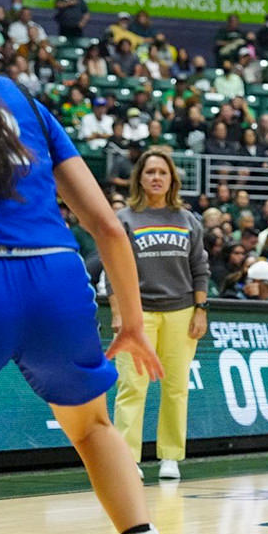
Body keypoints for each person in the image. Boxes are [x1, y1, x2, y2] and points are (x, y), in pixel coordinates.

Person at [0, 0, 195, 534]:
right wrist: (131, 324)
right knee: (94, 429)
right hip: (54, 276)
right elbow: (108, 225)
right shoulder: (22, 98)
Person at [111, 147, 209, 482]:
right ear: (139, 177)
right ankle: (126, 459)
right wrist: (118, 312)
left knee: (176, 387)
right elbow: (113, 268)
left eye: (162, 173)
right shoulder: (125, 218)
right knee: (132, 387)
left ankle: (170, 457)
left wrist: (201, 308)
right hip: (137, 314)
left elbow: (200, 268)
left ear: (172, 180)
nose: (156, 178)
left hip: (181, 312)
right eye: (150, 172)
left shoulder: (187, 220)